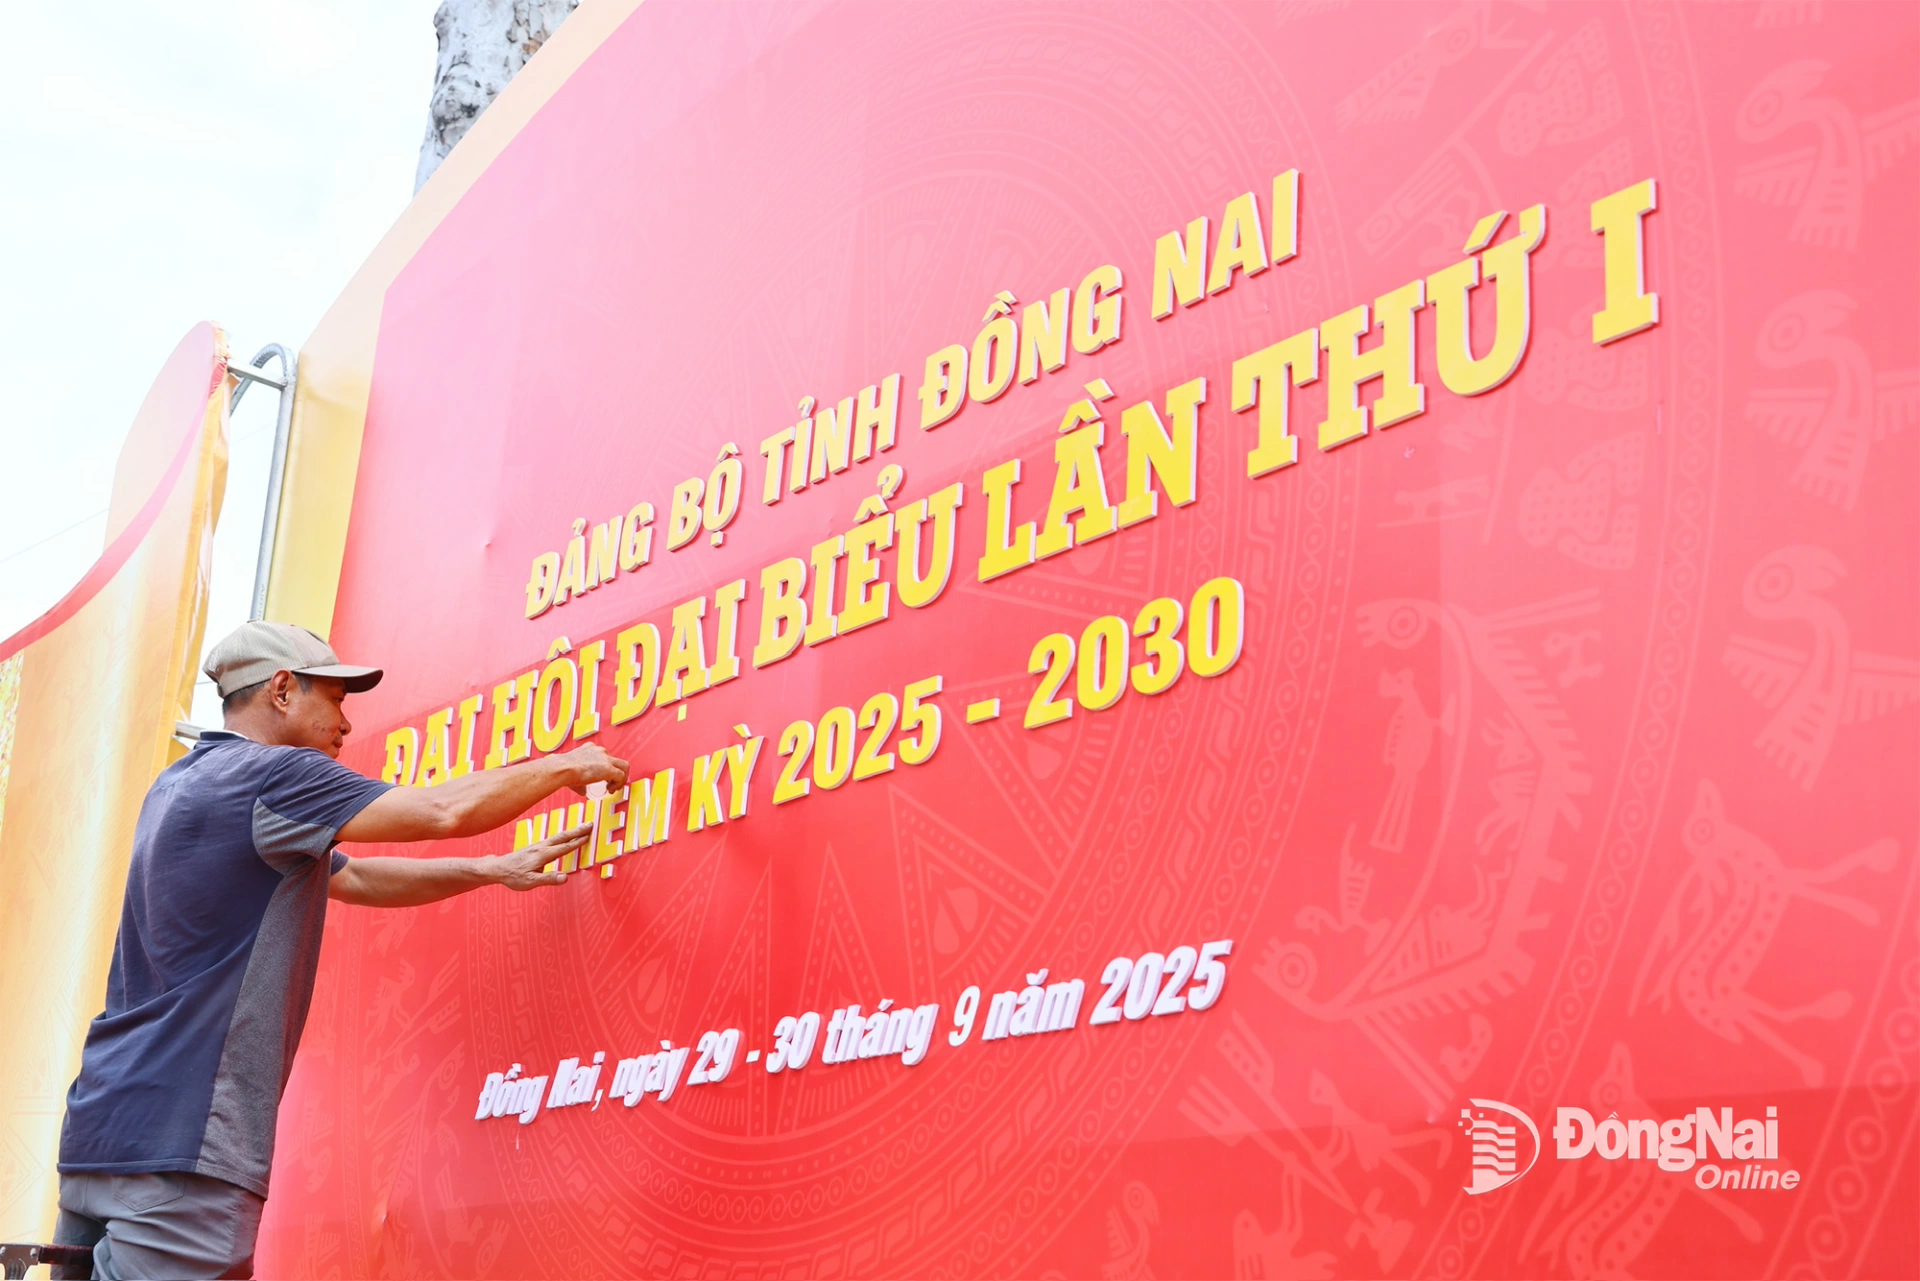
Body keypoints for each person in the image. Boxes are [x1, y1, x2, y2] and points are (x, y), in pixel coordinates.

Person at [51, 621, 627, 1279]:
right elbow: (440, 811)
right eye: (336, 697)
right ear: (283, 689)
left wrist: (491, 870)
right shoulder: (274, 776)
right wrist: (565, 764)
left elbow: (347, 875)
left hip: (98, 1138)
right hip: (182, 1155)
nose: (346, 723)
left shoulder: (179, 786)